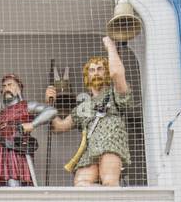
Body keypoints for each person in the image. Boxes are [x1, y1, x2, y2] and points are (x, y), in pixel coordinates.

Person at [50, 36, 132, 186]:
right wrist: (50, 103)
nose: (95, 73)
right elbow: (58, 126)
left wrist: (110, 47)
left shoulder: (114, 94)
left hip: (111, 141)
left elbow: (117, 74)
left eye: (100, 69)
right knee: (81, 183)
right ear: (87, 77)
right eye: (92, 70)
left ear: (106, 72)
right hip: (90, 148)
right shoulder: (84, 106)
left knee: (109, 182)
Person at [0, 74, 57, 187]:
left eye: (10, 85)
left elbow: (51, 111)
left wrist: (32, 124)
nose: (7, 88)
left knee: (13, 184)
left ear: (18, 89)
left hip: (16, 157)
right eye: (4, 86)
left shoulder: (26, 106)